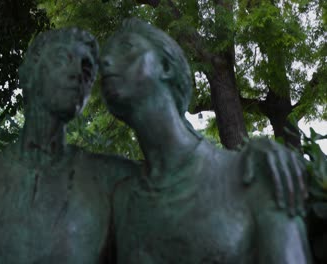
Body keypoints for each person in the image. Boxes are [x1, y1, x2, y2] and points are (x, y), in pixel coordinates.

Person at [0, 25, 306, 264]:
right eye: (64, 59)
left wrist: (262, 151)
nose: (84, 72)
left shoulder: (113, 182)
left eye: (87, 69)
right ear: (27, 73)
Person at [100, 18, 311, 263]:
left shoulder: (253, 173)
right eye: (104, 57)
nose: (105, 62)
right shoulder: (123, 201)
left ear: (166, 67)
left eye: (126, 48)